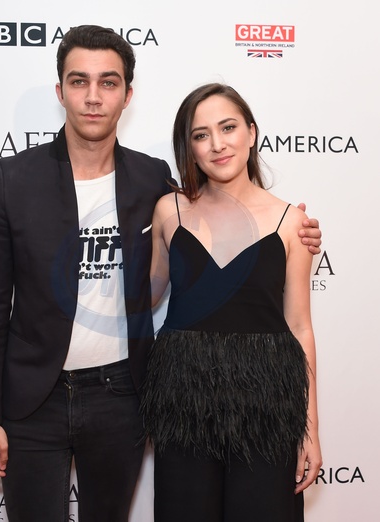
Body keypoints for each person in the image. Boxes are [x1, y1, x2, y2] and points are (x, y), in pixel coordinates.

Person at [0, 26, 322, 522]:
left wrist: (295, 237)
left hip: (122, 396)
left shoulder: (151, 179)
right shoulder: (13, 180)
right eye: (79, 81)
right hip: (34, 401)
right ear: (60, 91)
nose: (93, 97)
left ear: (127, 95)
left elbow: (215, 235)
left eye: (108, 82)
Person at [141, 83, 322, 522]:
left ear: (251, 133)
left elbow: (300, 326)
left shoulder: (291, 222)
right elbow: (146, 296)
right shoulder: (168, 210)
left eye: (228, 128)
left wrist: (310, 429)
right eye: (201, 135)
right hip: (183, 396)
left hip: (268, 398)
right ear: (190, 148)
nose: (217, 144)